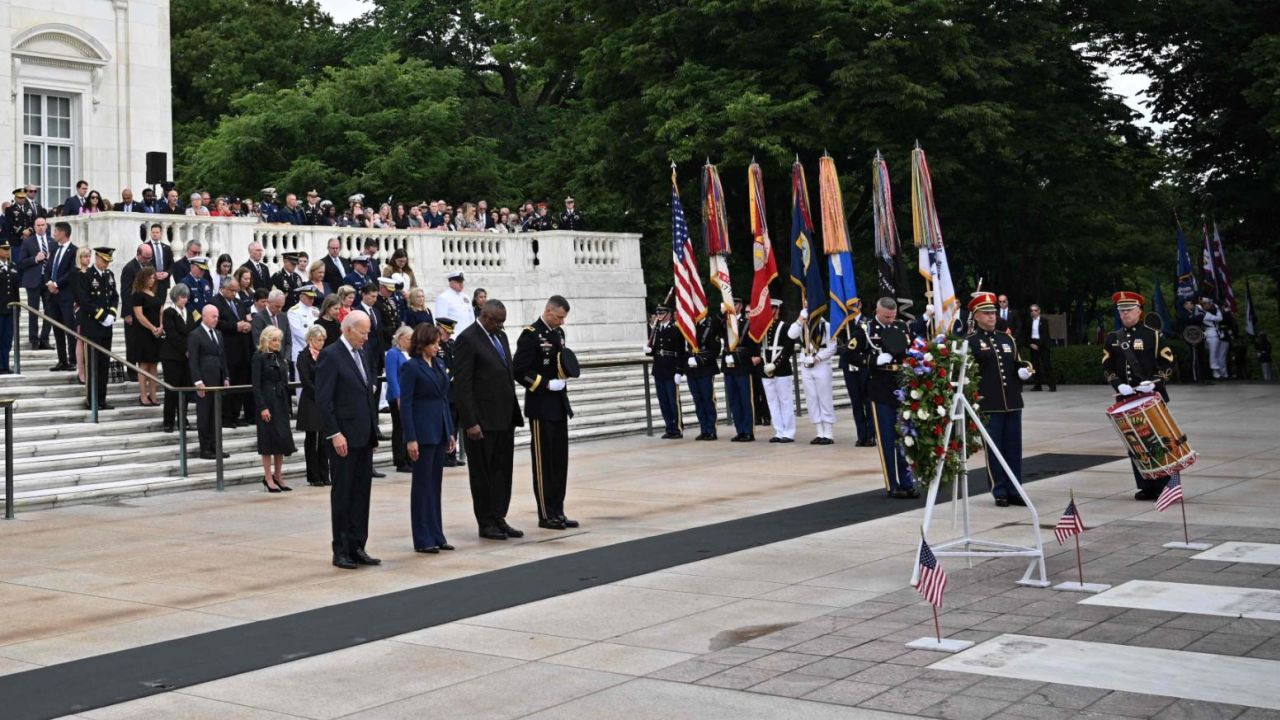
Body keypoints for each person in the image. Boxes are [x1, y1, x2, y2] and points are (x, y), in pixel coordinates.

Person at [452, 299, 524, 540]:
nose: (500, 326)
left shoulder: (500, 337)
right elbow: (463, 385)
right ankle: (486, 521)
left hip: (504, 418)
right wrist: (470, 421)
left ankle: (499, 516)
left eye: (502, 322)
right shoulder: (467, 339)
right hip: (481, 422)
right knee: (483, 473)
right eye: (496, 321)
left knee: (502, 471)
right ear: (483, 315)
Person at [316, 311, 381, 569]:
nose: (366, 338)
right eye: (363, 332)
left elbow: (365, 395)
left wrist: (372, 432)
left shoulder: (361, 353)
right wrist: (335, 433)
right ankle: (341, 549)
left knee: (361, 493)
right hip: (343, 437)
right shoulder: (331, 355)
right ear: (348, 329)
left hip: (363, 436)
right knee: (343, 494)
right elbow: (324, 400)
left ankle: (358, 545)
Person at [1103, 291, 1176, 500]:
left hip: (1150, 397)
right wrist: (1117, 384)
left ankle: (1165, 485)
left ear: (1139, 311)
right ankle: (1146, 485)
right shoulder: (1112, 337)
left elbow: (1168, 362)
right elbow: (1107, 366)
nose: (1125, 314)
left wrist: (1153, 382)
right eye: (1121, 311)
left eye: (1128, 310)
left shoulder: (1152, 335)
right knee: (1135, 444)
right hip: (1126, 398)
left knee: (1158, 441)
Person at [514, 295, 578, 529]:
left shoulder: (558, 334)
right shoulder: (531, 334)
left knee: (560, 461)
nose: (562, 322)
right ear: (549, 311)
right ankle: (545, 513)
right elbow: (519, 370)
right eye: (560, 317)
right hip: (541, 405)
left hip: (559, 404)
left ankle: (558, 510)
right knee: (544, 463)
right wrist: (545, 384)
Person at [967, 292, 1034, 507]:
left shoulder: (1007, 339)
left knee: (1014, 448)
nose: (991, 317)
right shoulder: (971, 342)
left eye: (993, 313)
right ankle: (1000, 490)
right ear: (976, 316)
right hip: (989, 404)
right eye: (986, 313)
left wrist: (1024, 370)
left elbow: (1018, 362)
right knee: (995, 451)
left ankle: (1015, 488)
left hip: (1012, 402)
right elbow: (966, 376)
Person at [849, 297, 917, 498]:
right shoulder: (865, 329)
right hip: (880, 388)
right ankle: (892, 484)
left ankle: (907, 481)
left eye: (893, 316)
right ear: (878, 311)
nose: (890, 320)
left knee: (904, 437)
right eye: (887, 316)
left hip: (902, 386)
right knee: (887, 438)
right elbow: (849, 355)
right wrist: (873, 360)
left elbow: (911, 349)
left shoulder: (901, 327)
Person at [400, 323, 456, 553]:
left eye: (438, 343)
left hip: (439, 429)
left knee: (435, 486)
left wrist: (450, 431)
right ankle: (423, 538)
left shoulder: (439, 364)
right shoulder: (411, 367)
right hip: (422, 432)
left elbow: (444, 399)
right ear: (422, 344)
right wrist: (410, 437)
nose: (437, 347)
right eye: (433, 343)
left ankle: (436, 533)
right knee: (422, 486)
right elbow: (406, 404)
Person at [252, 326, 296, 493]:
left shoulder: (280, 357)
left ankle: (278, 475)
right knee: (268, 441)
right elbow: (256, 385)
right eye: (274, 340)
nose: (277, 343)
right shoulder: (259, 357)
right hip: (267, 401)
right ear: (266, 340)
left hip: (281, 401)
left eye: (279, 340)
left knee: (282, 439)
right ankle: (268, 477)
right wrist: (262, 407)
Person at [75, 246, 119, 410]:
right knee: (93, 365)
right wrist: (101, 316)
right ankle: (92, 399)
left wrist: (112, 314)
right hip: (92, 325)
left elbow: (114, 296)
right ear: (97, 258)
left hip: (106, 327)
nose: (106, 264)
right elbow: (84, 300)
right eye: (104, 261)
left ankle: (102, 399)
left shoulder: (109, 275)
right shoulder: (86, 276)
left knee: (104, 364)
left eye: (108, 261)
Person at [189, 305, 230, 459]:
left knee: (216, 416)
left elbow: (223, 356)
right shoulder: (195, 335)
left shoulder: (218, 333)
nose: (216, 319)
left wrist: (226, 376)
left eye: (217, 316)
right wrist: (198, 381)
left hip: (218, 380)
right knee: (205, 416)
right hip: (204, 382)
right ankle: (205, 448)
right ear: (204, 316)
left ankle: (216, 446)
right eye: (213, 316)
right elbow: (193, 360)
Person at [212, 278, 253, 427]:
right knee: (228, 385)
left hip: (242, 350)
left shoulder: (238, 302)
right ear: (223, 288)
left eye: (236, 290)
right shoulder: (215, 302)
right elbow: (217, 323)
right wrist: (235, 326)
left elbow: (245, 318)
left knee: (240, 385)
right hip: (227, 350)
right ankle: (226, 417)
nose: (234, 293)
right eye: (232, 290)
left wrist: (247, 325)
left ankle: (236, 415)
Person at [791, 311, 837, 445]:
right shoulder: (803, 325)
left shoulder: (826, 325)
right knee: (811, 398)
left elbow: (833, 347)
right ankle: (819, 431)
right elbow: (791, 334)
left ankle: (828, 432)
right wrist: (800, 318)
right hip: (806, 363)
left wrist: (818, 358)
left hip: (821, 364)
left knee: (825, 397)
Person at [644, 305, 686, 439]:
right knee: (663, 401)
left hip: (671, 369)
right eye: (658, 313)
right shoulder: (656, 330)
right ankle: (669, 427)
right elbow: (655, 350)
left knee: (673, 400)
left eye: (662, 313)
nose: (660, 315)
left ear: (669, 314)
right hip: (659, 369)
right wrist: (648, 351)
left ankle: (677, 428)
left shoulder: (675, 330)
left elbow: (680, 352)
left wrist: (679, 370)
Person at [160, 284, 198, 433]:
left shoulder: (189, 312)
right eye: (182, 297)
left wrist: (191, 349)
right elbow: (172, 334)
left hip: (186, 357)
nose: (185, 300)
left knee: (185, 389)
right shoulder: (169, 312)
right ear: (176, 297)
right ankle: (168, 421)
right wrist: (185, 349)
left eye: (186, 297)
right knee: (172, 390)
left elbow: (193, 331)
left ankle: (183, 418)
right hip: (172, 356)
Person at [296, 324, 330, 486]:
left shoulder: (325, 355)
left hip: (324, 400)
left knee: (324, 439)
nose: (321, 342)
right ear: (310, 339)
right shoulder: (303, 356)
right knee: (311, 439)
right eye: (318, 339)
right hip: (311, 400)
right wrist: (319, 394)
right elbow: (306, 380)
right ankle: (313, 475)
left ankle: (325, 474)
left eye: (323, 340)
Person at [760, 299, 796, 443]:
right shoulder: (762, 328)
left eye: (771, 308)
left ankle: (789, 431)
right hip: (765, 369)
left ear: (777, 309)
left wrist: (776, 365)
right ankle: (779, 430)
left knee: (785, 401)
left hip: (781, 369)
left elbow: (788, 350)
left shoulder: (785, 327)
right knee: (772, 402)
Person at [43, 221, 78, 371]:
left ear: (63, 233)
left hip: (66, 296)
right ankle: (62, 360)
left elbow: (72, 273)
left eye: (56, 232)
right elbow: (48, 268)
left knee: (69, 329)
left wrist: (57, 285)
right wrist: (50, 283)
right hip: (52, 296)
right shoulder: (54, 248)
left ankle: (72, 360)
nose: (54, 234)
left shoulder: (74, 250)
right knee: (57, 329)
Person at [721, 298, 757, 442]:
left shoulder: (747, 323)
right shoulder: (726, 322)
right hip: (729, 366)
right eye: (730, 304)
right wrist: (723, 315)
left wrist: (739, 357)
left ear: (740, 306)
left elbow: (753, 346)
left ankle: (748, 431)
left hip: (742, 366)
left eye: (734, 304)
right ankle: (740, 430)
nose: (732, 307)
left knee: (745, 399)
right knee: (734, 400)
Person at [838, 316, 876, 447]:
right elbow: (836, 340)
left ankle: (871, 435)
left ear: (859, 305)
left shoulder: (867, 322)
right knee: (856, 402)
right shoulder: (840, 320)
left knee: (868, 401)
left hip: (863, 365)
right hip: (848, 365)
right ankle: (861, 435)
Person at [17, 216, 54, 350]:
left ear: (46, 226)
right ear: (34, 227)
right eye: (38, 225)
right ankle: (34, 340)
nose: (40, 227)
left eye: (43, 225)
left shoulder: (52, 241)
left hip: (48, 281)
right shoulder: (28, 242)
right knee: (33, 311)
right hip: (33, 281)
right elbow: (20, 263)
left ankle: (44, 339)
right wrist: (35, 259)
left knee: (49, 311)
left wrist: (50, 259)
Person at [685, 311, 722, 441]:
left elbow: (715, 350)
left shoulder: (711, 325)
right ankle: (703, 429)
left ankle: (711, 430)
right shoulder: (689, 326)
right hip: (692, 370)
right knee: (698, 400)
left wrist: (700, 360)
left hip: (705, 369)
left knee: (708, 399)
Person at [130, 267, 164, 406]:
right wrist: (152, 327)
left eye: (153, 277)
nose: (152, 280)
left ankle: (154, 395)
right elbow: (139, 315)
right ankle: (143, 396)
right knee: (144, 365)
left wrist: (161, 326)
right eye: (150, 277)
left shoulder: (154, 294)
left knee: (154, 365)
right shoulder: (138, 295)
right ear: (143, 278)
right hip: (143, 333)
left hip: (156, 333)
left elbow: (161, 311)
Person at [385, 326, 414, 473]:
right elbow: (392, 377)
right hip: (398, 396)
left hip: (411, 397)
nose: (411, 342)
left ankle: (410, 458)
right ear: (400, 339)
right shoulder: (393, 353)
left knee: (409, 427)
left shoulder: (410, 354)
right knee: (400, 428)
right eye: (409, 339)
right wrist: (398, 396)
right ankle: (400, 460)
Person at [1025, 303, 1056, 391]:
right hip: (1033, 343)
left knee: (1046, 365)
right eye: (1031, 311)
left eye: (1035, 310)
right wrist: (1030, 344)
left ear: (1039, 311)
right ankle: (1037, 385)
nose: (1033, 312)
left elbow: (1045, 334)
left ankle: (1052, 385)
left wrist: (1038, 345)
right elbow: (1027, 334)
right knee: (1034, 366)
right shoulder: (1029, 321)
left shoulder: (1044, 320)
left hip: (1043, 345)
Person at [287, 284, 320, 366]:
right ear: (301, 297)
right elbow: (298, 332)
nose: (312, 300)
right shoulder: (294, 311)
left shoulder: (315, 310)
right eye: (309, 297)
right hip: (301, 350)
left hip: (316, 350)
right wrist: (313, 344)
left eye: (313, 297)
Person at [0, 239, 19, 372]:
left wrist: (17, 308)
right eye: (4, 249)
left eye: (8, 249)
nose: (7, 251)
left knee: (7, 339)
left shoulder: (13, 266)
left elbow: (15, 290)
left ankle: (5, 364)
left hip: (10, 310)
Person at [435, 271, 473, 335]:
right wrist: (449, 337)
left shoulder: (466, 297)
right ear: (451, 283)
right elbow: (441, 320)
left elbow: (471, 317)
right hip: (454, 336)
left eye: (462, 282)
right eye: (458, 282)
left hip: (468, 335)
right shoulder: (443, 297)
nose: (461, 284)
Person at [1201, 299, 1227, 380]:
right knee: (1213, 354)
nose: (1208, 305)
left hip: (1215, 334)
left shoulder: (1209, 313)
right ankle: (1215, 372)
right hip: (1211, 334)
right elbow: (1219, 318)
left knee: (1217, 354)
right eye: (1206, 304)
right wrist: (1218, 309)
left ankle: (1218, 372)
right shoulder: (1205, 314)